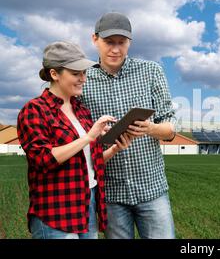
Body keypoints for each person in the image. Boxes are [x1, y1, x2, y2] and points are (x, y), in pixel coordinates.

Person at [17, 41, 133, 239]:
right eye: (75, 73)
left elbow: (88, 163)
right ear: (54, 74)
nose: (82, 79)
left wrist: (114, 149)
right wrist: (88, 136)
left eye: (84, 73)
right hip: (56, 212)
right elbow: (43, 159)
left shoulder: (81, 110)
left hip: (87, 204)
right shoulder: (34, 110)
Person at [80, 12, 177, 239]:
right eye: (109, 42)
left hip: (152, 189)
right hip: (111, 194)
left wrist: (151, 128)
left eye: (121, 43)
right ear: (95, 39)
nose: (115, 49)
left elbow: (171, 127)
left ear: (130, 42)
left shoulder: (151, 71)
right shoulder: (83, 80)